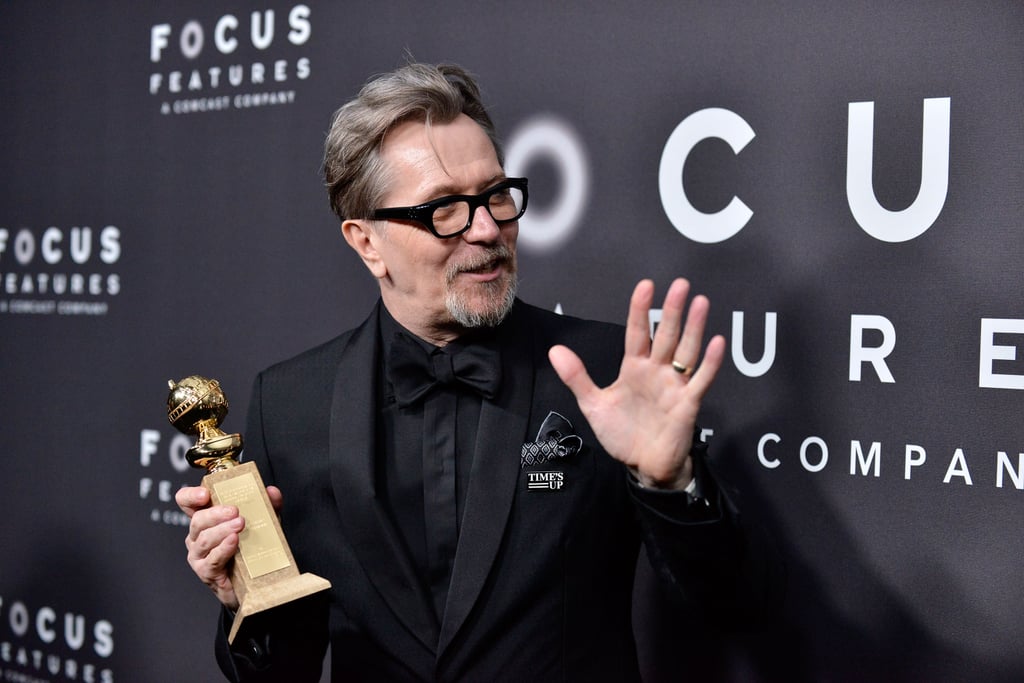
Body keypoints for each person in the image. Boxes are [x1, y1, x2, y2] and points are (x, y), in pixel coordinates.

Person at [176, 62, 773, 682]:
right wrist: (239, 597)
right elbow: (280, 673)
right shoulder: (290, 402)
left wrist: (671, 484)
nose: (487, 228)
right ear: (366, 242)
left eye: (495, 195)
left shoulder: (604, 374)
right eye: (443, 210)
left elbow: (733, 604)